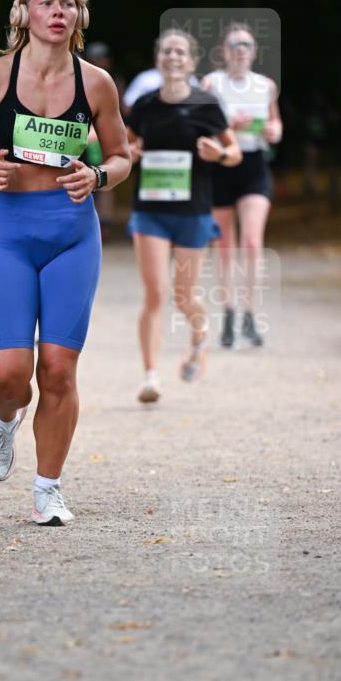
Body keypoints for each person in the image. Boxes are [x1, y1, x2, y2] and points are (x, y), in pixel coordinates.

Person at [0, 0, 131, 525]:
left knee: (57, 369)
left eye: (68, 4)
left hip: (72, 233)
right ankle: (4, 421)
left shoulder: (96, 82)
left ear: (78, 17)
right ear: (23, 13)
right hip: (7, 231)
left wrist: (98, 177)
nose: (58, 12)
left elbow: (122, 156)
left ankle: (48, 488)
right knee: (9, 376)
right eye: (47, 2)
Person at [126, 29, 241, 404]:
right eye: (167, 51)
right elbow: (124, 146)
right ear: (159, 59)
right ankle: (150, 376)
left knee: (182, 294)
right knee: (155, 293)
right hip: (151, 211)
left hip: (192, 211)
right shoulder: (144, 105)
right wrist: (130, 152)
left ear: (191, 63)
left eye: (180, 52)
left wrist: (219, 155)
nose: (173, 57)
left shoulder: (206, 105)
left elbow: (234, 152)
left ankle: (199, 332)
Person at [202, 23, 282, 347]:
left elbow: (275, 122)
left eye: (246, 44)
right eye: (234, 44)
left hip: (253, 165)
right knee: (225, 246)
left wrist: (274, 130)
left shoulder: (265, 86)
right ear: (224, 51)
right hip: (221, 164)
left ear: (254, 51)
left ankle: (250, 313)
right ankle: (229, 313)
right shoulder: (212, 84)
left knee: (251, 241)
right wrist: (227, 127)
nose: (240, 50)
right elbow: (202, 128)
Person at [83, 42, 126, 241]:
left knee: (103, 177)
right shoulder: (83, 77)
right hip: (85, 138)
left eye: (105, 57)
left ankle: (104, 224)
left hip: (105, 137)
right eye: (99, 57)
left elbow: (123, 109)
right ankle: (98, 222)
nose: (103, 60)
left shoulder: (113, 80)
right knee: (87, 176)